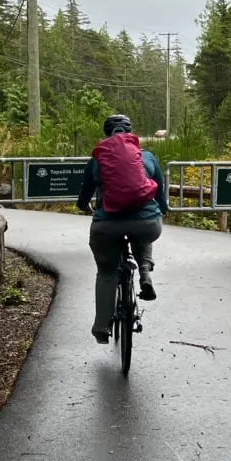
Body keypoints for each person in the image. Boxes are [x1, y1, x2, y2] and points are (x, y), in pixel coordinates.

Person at [77, 114, 168, 344]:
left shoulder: (98, 158)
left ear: (107, 134)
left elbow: (85, 191)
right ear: (130, 133)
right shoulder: (146, 156)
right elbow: (160, 194)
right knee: (143, 232)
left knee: (107, 272)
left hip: (107, 225)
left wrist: (82, 205)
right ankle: (145, 272)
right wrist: (162, 210)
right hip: (147, 224)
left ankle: (101, 327)